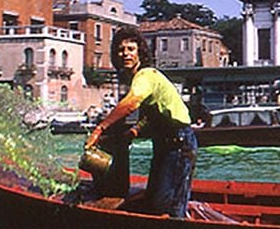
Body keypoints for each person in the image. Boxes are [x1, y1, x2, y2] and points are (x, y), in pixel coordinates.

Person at [84, 26, 197, 217]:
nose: (125, 54)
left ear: (139, 53)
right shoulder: (138, 78)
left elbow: (132, 102)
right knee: (155, 200)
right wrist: (135, 131)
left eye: (130, 49)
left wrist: (100, 128)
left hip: (179, 143)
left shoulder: (145, 75)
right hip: (165, 144)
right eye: (121, 50)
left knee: (168, 204)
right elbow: (150, 114)